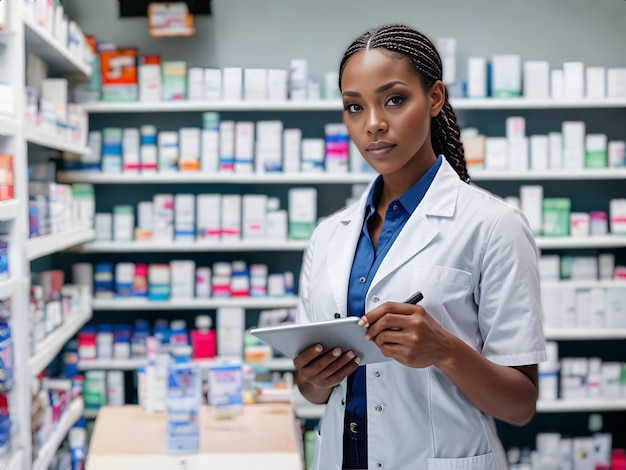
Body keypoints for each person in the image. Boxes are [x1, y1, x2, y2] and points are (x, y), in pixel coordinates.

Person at [293, 23, 546, 470]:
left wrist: (445, 350)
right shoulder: (329, 235)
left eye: (393, 99)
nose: (373, 124)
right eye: (355, 106)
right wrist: (312, 378)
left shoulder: (494, 226)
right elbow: (313, 392)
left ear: (434, 98)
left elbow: (520, 405)